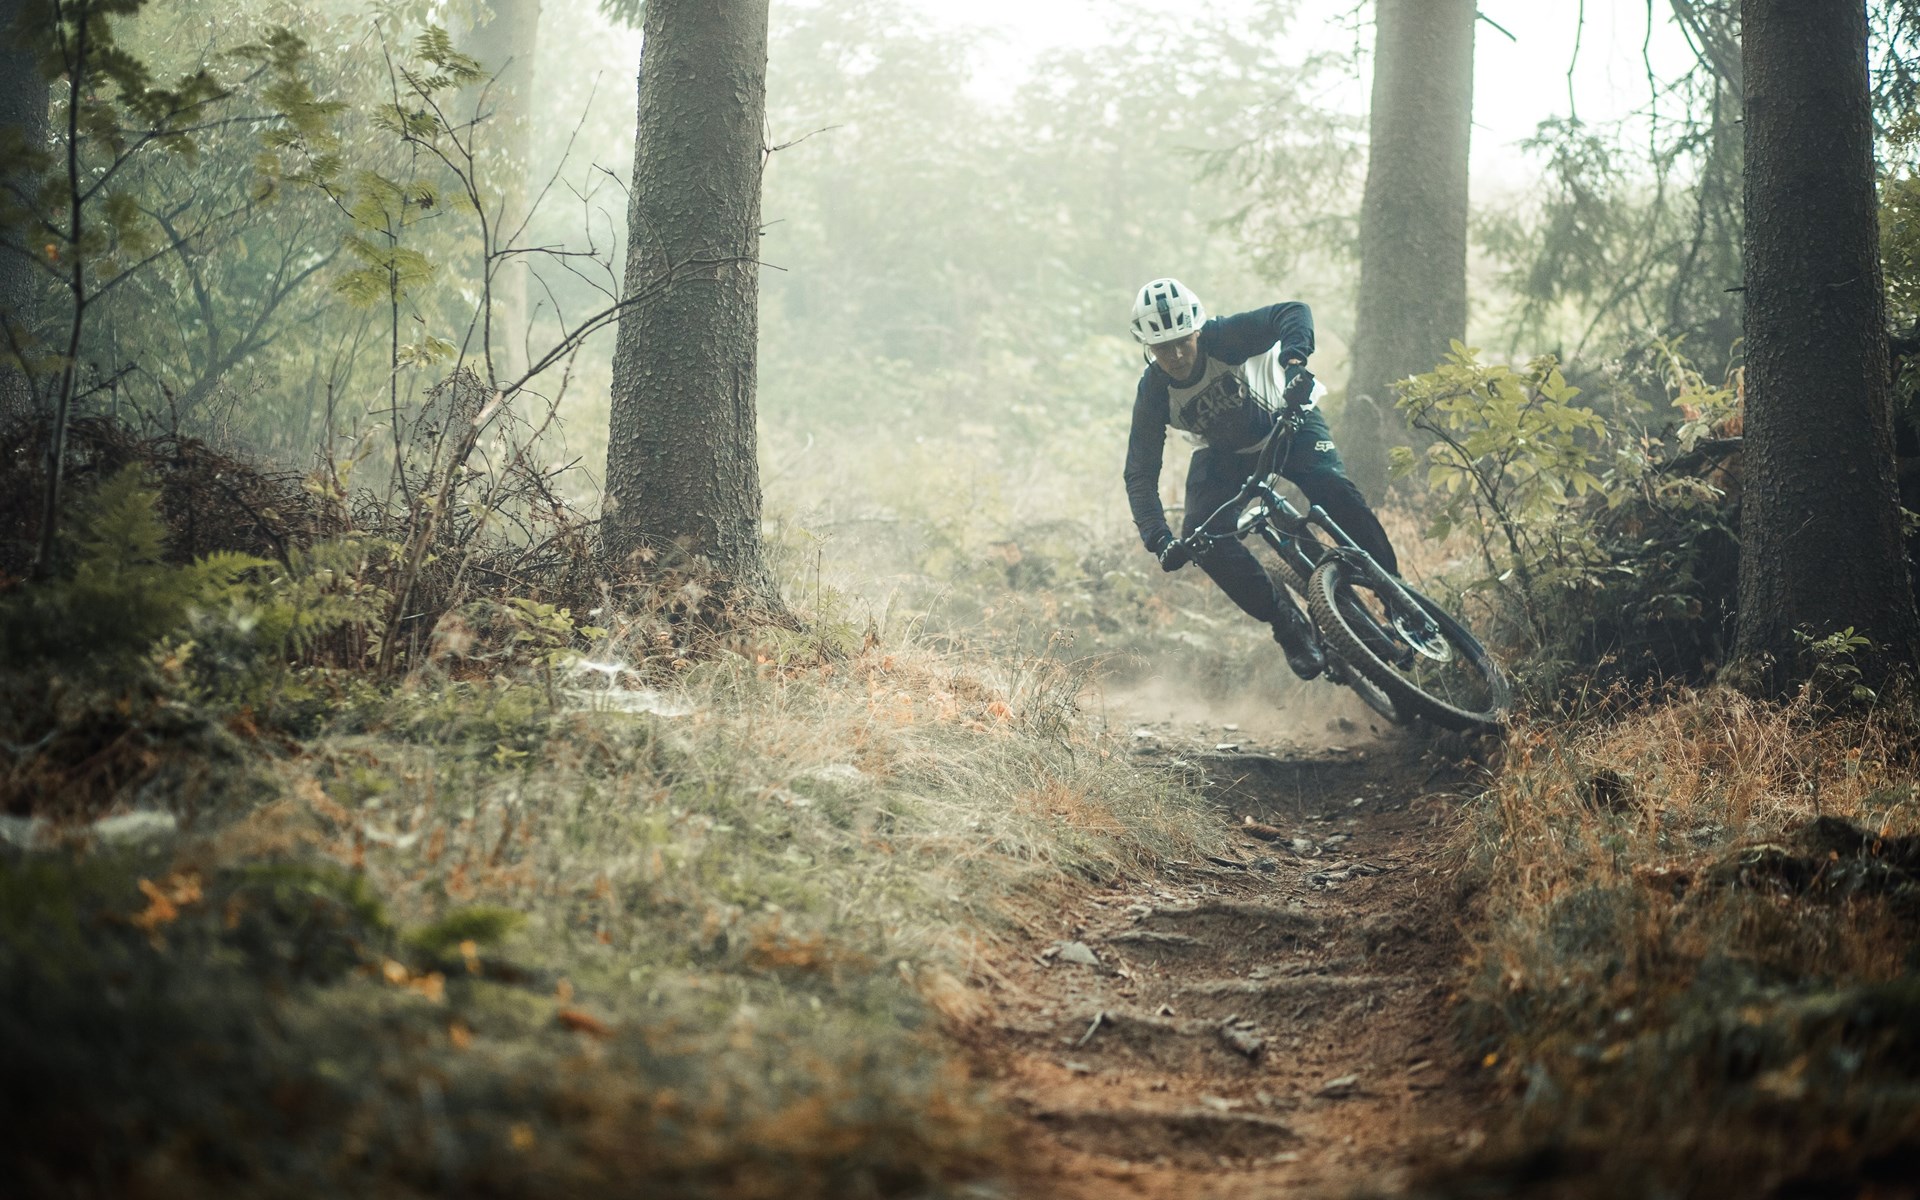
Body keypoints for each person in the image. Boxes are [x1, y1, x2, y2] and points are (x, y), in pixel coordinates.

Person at [1121, 277, 1400, 680]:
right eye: (1164, 347)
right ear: (1148, 347)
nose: (1177, 354)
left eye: (1183, 340)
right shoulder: (1153, 392)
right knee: (1204, 541)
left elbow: (1292, 312)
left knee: (1332, 487)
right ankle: (1287, 625)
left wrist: (1295, 364)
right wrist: (1159, 539)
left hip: (1289, 423)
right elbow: (1140, 472)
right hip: (1226, 455)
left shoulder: (1225, 338)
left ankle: (1395, 594)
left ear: (1197, 330)